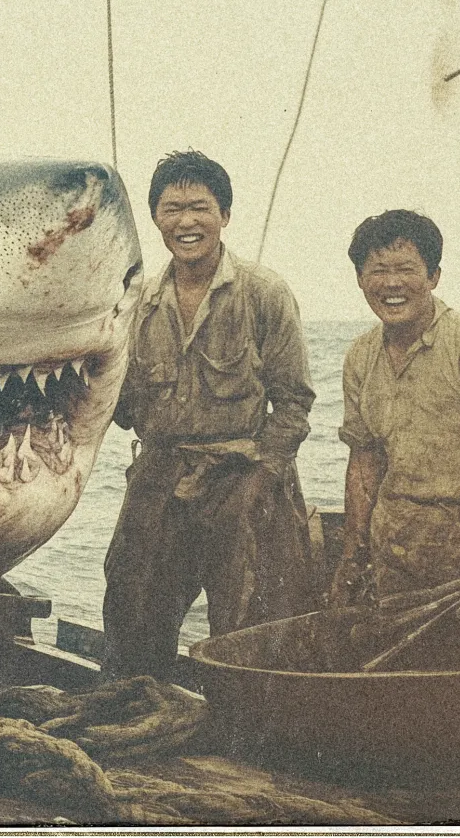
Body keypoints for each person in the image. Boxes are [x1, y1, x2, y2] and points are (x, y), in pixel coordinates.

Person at [103, 151, 316, 681]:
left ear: (224, 214)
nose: (186, 222)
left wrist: (261, 478)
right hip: (160, 474)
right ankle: (135, 717)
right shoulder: (136, 303)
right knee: (131, 611)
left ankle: (248, 741)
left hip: (245, 473)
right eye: (172, 209)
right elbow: (121, 407)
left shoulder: (264, 292)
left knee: (249, 627)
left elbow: (294, 404)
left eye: (199, 207)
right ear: (155, 218)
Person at [330, 210, 460, 601]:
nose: (392, 284)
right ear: (360, 280)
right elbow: (364, 463)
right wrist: (352, 557)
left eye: (406, 269)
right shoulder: (361, 355)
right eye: (377, 271)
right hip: (392, 551)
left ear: (433, 276)